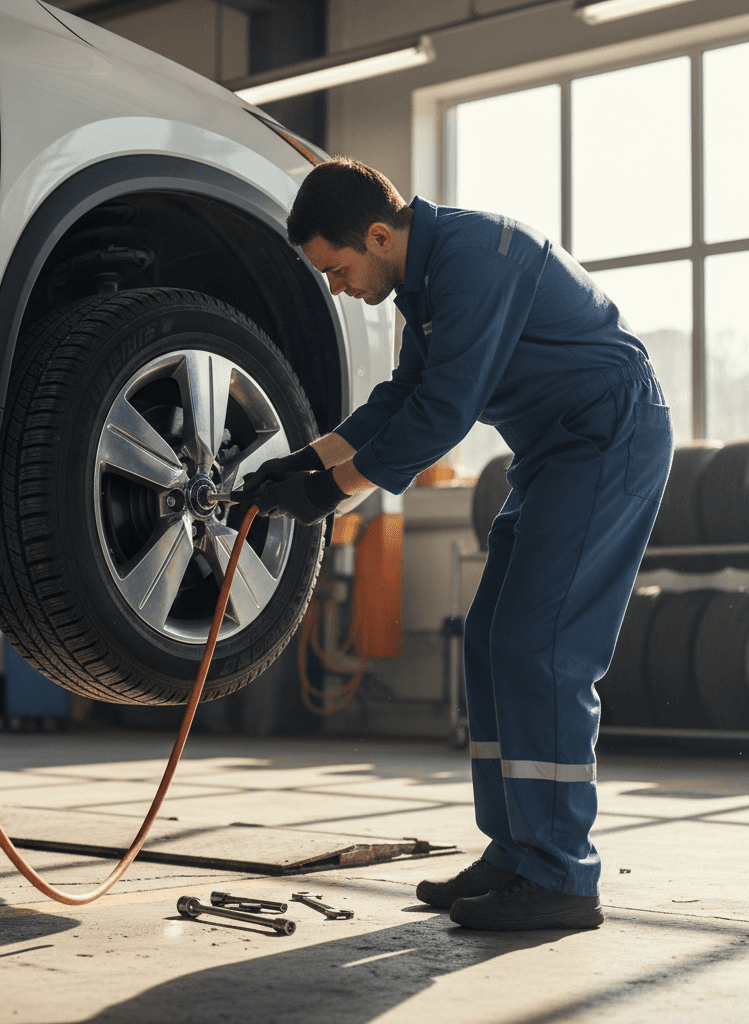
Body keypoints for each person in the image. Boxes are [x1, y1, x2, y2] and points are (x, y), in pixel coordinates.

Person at [242, 157, 673, 931]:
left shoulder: (477, 260)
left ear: (379, 234)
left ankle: (562, 876)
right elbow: (403, 396)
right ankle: (513, 851)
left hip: (610, 437)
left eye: (337, 271)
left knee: (540, 646)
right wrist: (310, 456)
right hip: (552, 450)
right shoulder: (426, 280)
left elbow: (444, 411)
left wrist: (328, 495)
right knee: (488, 639)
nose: (337, 288)